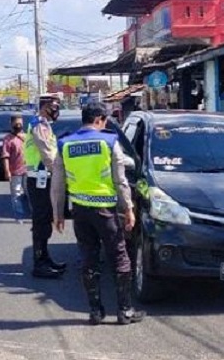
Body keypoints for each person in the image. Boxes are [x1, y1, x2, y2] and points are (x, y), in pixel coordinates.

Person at [51, 101, 145, 326]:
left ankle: (95, 311)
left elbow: (57, 183)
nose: (104, 125)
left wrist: (58, 214)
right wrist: (129, 209)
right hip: (105, 211)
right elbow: (121, 181)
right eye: (104, 121)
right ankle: (124, 311)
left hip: (80, 211)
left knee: (88, 259)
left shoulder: (64, 144)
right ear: (99, 120)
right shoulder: (109, 141)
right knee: (120, 257)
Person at [23, 93, 66, 279]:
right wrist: (61, 174)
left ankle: (45, 258)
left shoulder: (44, 125)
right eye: (54, 106)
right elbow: (48, 156)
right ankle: (39, 263)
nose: (57, 110)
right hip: (39, 179)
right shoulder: (40, 126)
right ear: (44, 106)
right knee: (41, 221)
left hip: (43, 178)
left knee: (45, 219)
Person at [2, 113, 28, 223]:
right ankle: (19, 216)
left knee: (30, 193)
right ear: (11, 124)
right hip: (15, 172)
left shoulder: (27, 137)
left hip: (28, 171)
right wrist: (7, 171)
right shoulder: (8, 139)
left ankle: (33, 216)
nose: (18, 125)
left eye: (20, 124)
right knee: (16, 194)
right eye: (16, 123)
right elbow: (5, 156)